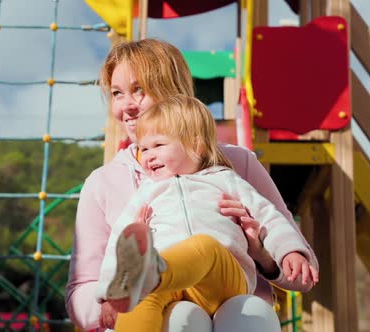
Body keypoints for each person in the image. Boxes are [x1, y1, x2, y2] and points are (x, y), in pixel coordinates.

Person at [66, 38, 317, 332]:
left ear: (173, 93)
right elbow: (83, 290)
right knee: (172, 312)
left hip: (231, 297)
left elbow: (296, 269)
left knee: (234, 293)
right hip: (164, 304)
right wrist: (108, 301)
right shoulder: (104, 183)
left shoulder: (233, 165)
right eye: (117, 93)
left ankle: (153, 274)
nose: (127, 106)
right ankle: (148, 280)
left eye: (139, 90)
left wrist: (262, 253)